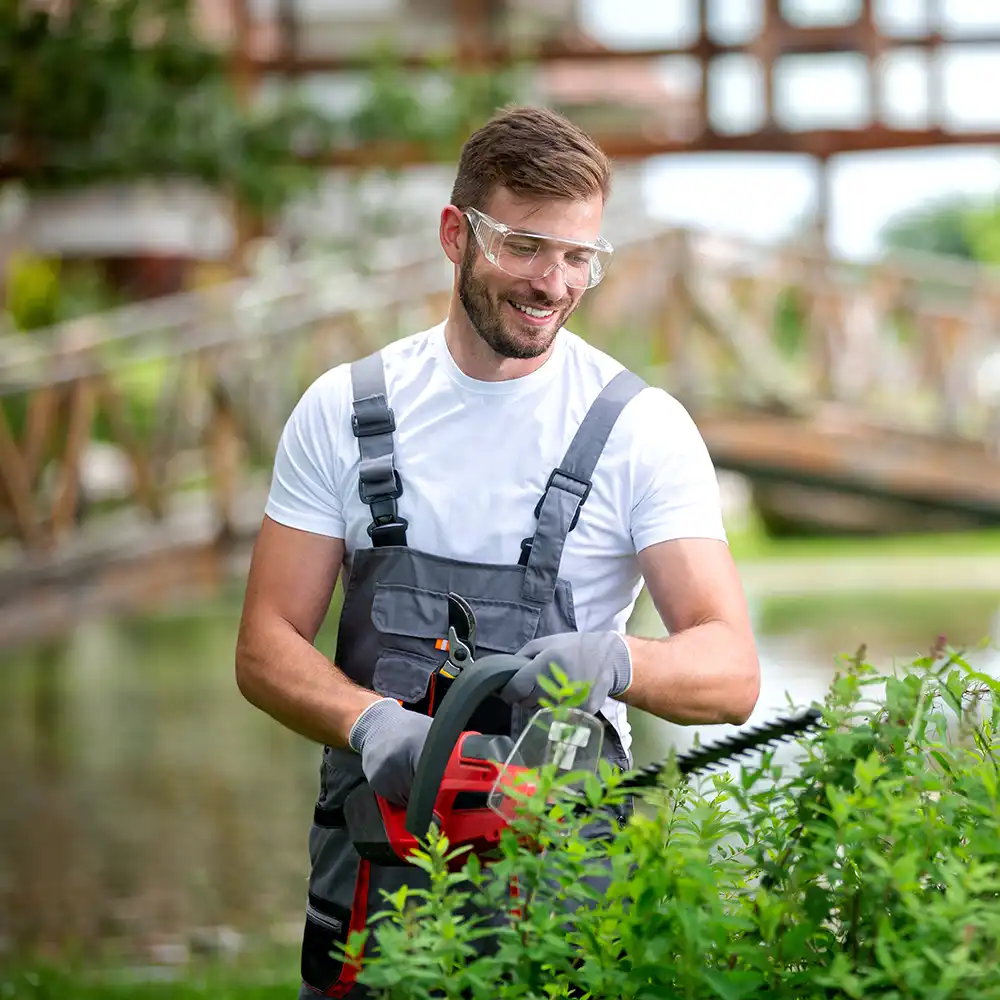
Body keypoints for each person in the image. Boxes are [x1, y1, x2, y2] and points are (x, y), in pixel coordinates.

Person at [235, 104, 761, 998]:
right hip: (374, 886)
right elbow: (263, 648)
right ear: (456, 234)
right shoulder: (343, 408)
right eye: (525, 245)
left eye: (578, 257)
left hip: (564, 889)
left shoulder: (640, 430)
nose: (553, 282)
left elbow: (733, 672)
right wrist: (370, 724)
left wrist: (615, 658)